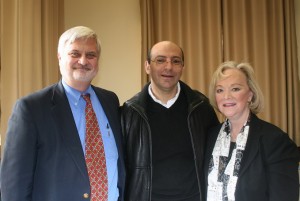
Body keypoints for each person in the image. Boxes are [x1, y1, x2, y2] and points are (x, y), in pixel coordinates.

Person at [0, 26, 125, 201]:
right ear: (59, 57)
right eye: (75, 54)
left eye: (91, 55)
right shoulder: (31, 109)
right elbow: (13, 185)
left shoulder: (110, 101)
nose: (83, 61)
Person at [121, 41, 219, 201]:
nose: (168, 67)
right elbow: (122, 168)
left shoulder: (201, 107)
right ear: (147, 66)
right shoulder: (130, 113)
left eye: (175, 61)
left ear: (182, 68)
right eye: (160, 60)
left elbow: (215, 158)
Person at [204, 61, 299, 201]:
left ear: (250, 94)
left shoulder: (275, 140)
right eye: (220, 90)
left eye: (235, 89)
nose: (226, 96)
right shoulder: (211, 136)